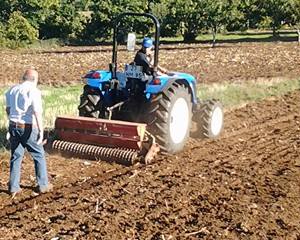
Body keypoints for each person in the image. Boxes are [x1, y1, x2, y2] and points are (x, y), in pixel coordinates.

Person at [5, 68, 52, 198]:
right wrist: (41, 131)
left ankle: (14, 187)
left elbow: (8, 109)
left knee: (16, 155)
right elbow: (37, 112)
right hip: (27, 127)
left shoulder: (12, 90)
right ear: (34, 79)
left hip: (13, 125)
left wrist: (11, 124)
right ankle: (43, 185)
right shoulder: (33, 91)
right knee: (38, 154)